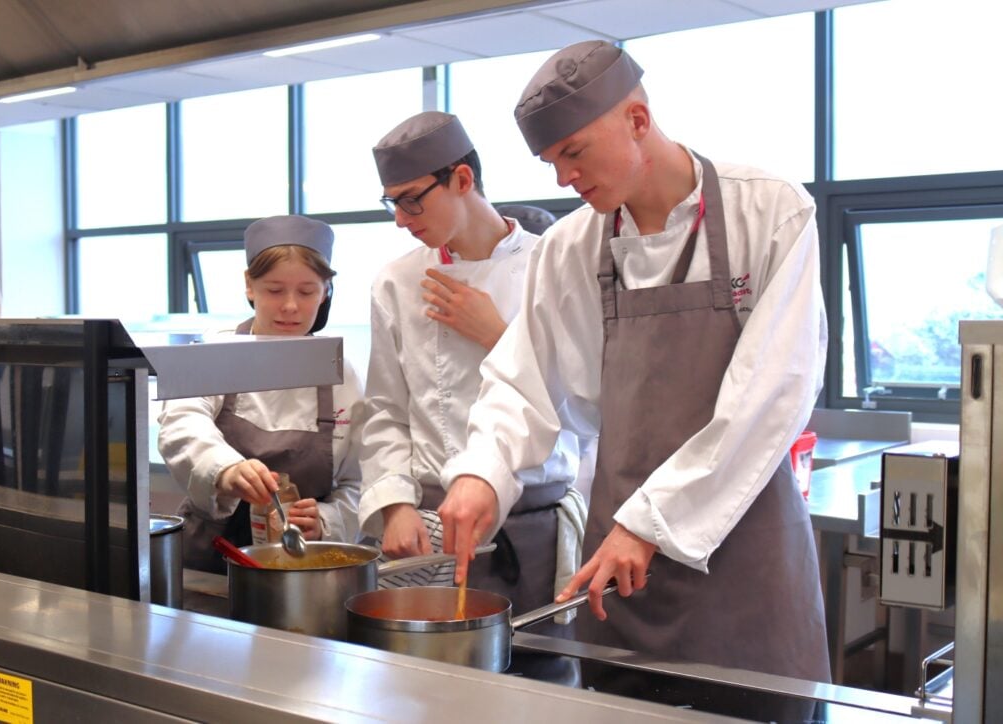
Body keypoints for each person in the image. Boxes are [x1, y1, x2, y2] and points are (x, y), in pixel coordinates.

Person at [437, 40, 831, 688]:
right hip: (616, 578)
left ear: (638, 122)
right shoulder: (571, 248)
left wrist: (650, 523)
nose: (563, 178)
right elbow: (522, 380)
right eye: (550, 161)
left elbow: (769, 395)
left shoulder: (771, 212)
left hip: (748, 571)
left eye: (573, 153)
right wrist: (483, 472)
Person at [357, 111, 586, 656]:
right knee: (429, 683)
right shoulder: (397, 281)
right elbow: (386, 409)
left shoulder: (550, 265)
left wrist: (499, 335)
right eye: (392, 203)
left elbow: (584, 406)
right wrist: (394, 505)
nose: (401, 219)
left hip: (534, 527)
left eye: (412, 199)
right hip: (430, 525)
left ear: (462, 180)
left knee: (540, 681)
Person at [158, 215, 364, 573]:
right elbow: (180, 424)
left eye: (306, 291)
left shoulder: (341, 373)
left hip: (303, 566)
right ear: (249, 286)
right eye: (274, 289)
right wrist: (226, 469)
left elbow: (360, 480)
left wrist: (328, 520)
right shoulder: (215, 351)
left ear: (326, 290)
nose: (290, 306)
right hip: (210, 559)